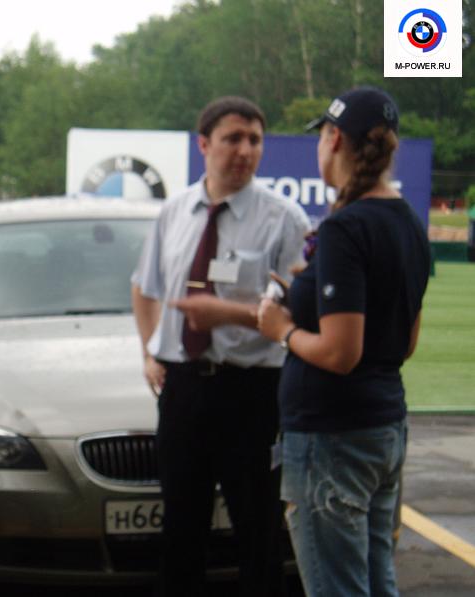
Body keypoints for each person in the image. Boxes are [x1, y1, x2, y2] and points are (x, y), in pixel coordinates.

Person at [132, 96, 310, 597]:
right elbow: (144, 287)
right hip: (184, 389)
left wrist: (225, 313)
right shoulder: (174, 211)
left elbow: (297, 312)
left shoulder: (284, 218)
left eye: (255, 140)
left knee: (257, 532)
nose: (245, 150)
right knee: (180, 530)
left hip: (252, 392)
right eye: (233, 138)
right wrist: (148, 352)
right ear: (204, 145)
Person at [257, 86, 431, 597]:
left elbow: (340, 352)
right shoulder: (408, 221)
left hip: (334, 434)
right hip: (383, 424)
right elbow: (405, 342)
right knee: (376, 582)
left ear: (333, 139)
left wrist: (282, 330)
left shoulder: (346, 228)